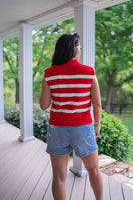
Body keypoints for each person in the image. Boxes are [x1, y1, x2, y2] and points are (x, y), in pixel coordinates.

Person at [39, 33, 103, 200]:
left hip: (57, 129)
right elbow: (97, 105)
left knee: (59, 178)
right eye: (79, 48)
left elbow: (44, 105)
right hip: (83, 128)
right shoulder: (89, 73)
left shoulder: (49, 74)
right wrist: (97, 126)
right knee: (94, 170)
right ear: (75, 50)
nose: (80, 51)